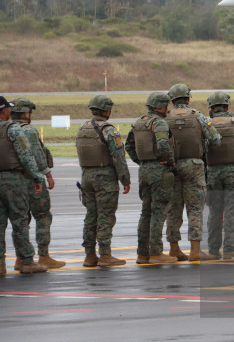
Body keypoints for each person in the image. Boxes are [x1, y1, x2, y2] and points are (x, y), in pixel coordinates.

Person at [165, 83, 220, 261]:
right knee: (195, 208)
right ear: (188, 99)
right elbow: (215, 139)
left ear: (172, 100)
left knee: (174, 209)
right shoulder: (199, 117)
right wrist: (204, 148)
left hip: (171, 166)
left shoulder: (164, 118)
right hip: (194, 165)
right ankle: (195, 250)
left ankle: (174, 248)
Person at [75, 95, 131, 267]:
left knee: (91, 216)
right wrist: (125, 179)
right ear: (107, 110)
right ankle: (105, 255)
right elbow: (118, 156)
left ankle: (90, 255)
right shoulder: (109, 130)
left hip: (86, 177)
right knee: (105, 216)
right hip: (104, 178)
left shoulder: (83, 128)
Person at [124, 92, 177, 264]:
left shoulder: (139, 122)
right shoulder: (159, 123)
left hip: (144, 170)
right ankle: (156, 252)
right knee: (159, 211)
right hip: (158, 170)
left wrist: (141, 161)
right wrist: (170, 161)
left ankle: (142, 253)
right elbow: (162, 144)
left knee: (145, 212)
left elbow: (129, 146)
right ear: (161, 106)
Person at [10, 98, 64, 269]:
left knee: (21, 220)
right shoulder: (29, 130)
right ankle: (44, 255)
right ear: (25, 113)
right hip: (31, 179)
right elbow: (38, 156)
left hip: (13, 181)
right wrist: (47, 175)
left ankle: (21, 257)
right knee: (43, 216)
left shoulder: (7, 129)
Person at [0, 96, 48, 274]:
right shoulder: (12, 129)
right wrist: (37, 177)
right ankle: (26, 260)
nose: (9, 112)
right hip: (12, 179)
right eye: (7, 109)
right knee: (20, 220)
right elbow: (26, 155)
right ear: (3, 110)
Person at [206, 91, 234, 259]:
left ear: (211, 107)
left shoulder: (206, 124)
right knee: (231, 210)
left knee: (214, 211)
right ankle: (230, 247)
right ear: (227, 106)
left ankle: (213, 249)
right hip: (233, 171)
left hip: (212, 172)